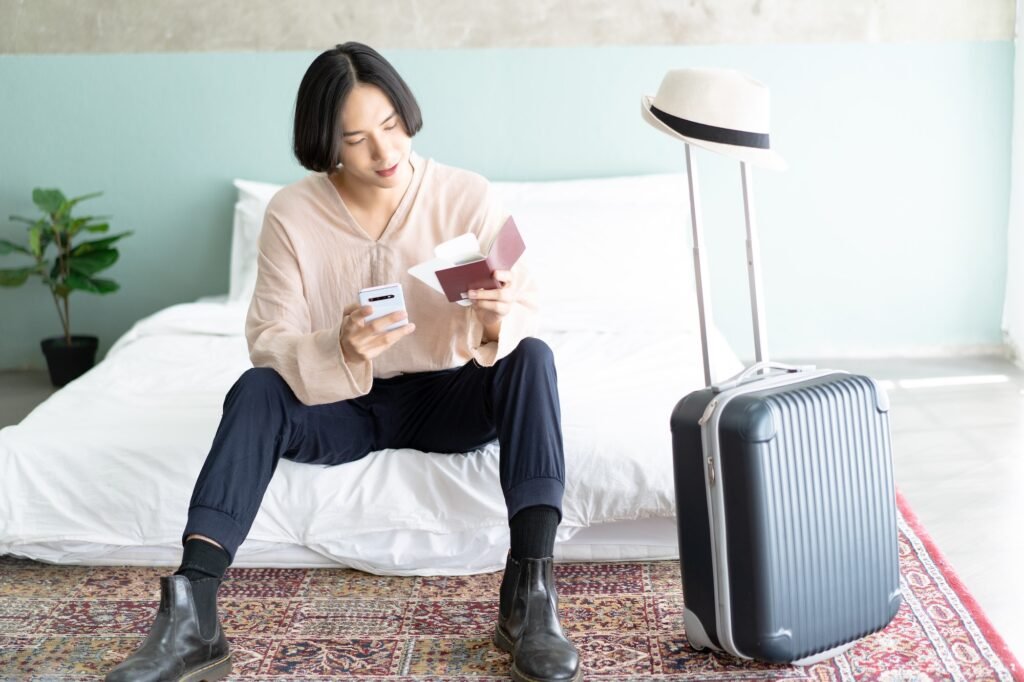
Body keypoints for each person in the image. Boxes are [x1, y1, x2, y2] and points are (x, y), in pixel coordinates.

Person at [105, 42, 580, 682]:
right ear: (324, 142)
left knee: (534, 360)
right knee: (256, 389)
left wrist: (495, 315)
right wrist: (340, 346)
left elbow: (522, 306)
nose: (384, 153)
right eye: (356, 139)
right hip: (343, 402)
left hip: (450, 397)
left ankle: (531, 598)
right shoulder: (292, 213)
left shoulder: (465, 195)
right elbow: (268, 337)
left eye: (390, 127)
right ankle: (194, 611)